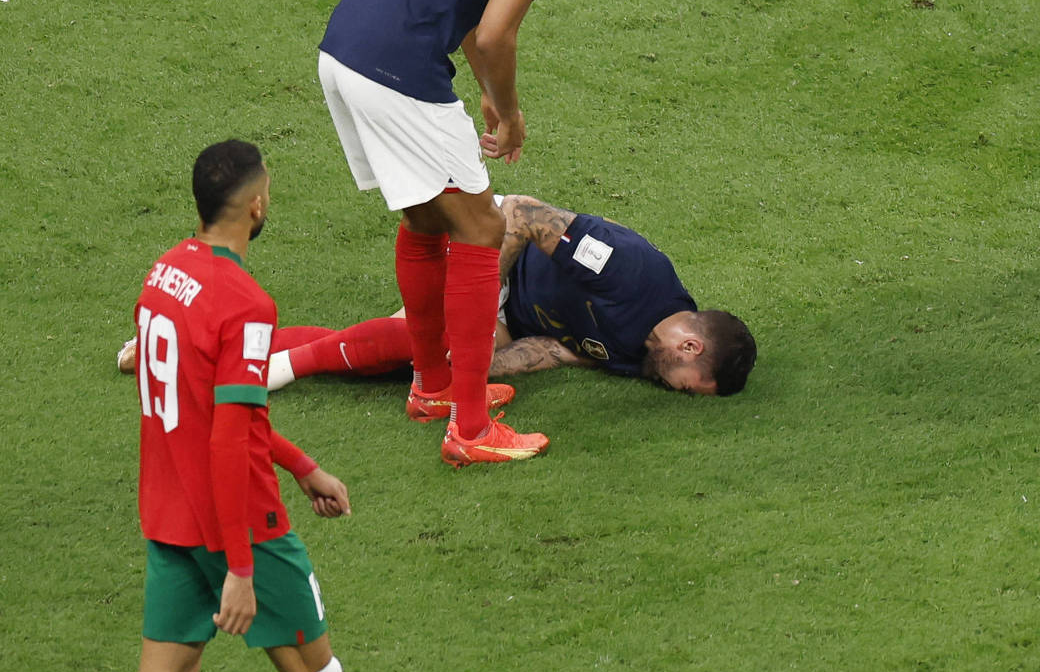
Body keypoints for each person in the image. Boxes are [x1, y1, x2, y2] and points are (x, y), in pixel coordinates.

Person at [96, 141, 463, 672]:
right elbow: (228, 441)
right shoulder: (245, 304)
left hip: (167, 515)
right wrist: (239, 565)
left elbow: (210, 409)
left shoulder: (164, 273)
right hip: (239, 526)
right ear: (256, 206)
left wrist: (302, 464)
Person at [317, 0, 658, 464]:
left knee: (424, 218)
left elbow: (472, 17)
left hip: (345, 50)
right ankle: (470, 429)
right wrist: (509, 107)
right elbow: (498, 34)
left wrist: (489, 96)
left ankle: (434, 387)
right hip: (400, 70)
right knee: (481, 230)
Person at [117, 194, 756, 399]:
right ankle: (240, 359)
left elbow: (554, 352)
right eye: (684, 381)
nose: (667, 387)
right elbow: (525, 214)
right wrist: (483, 293)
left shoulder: (638, 354)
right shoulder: (633, 273)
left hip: (508, 311)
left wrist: (468, 372)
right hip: (484, 246)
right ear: (691, 345)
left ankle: (207, 344)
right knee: (423, 340)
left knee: (417, 362)